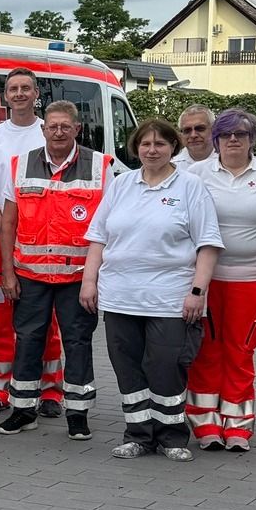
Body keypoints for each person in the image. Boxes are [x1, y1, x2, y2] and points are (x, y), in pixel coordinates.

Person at [81, 119, 222, 461]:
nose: (152, 150)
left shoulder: (190, 187)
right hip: (119, 296)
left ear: (173, 147)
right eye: (145, 144)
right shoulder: (121, 184)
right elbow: (99, 237)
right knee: (128, 368)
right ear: (136, 148)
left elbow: (208, 244)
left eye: (160, 144)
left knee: (165, 366)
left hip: (168, 298)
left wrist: (198, 291)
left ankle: (172, 437)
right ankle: (138, 436)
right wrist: (89, 281)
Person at [0, 101, 111, 440]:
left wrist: (95, 278)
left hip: (78, 278)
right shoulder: (20, 165)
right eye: (52, 126)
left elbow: (107, 228)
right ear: (43, 130)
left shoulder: (100, 166)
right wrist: (7, 273)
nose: (58, 132)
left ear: (77, 129)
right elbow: (8, 224)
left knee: (77, 342)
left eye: (65, 126)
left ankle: (77, 413)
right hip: (30, 275)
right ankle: (23, 410)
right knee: (28, 340)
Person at [182, 108, 256, 451]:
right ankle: (205, 424)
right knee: (206, 351)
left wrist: (252, 247)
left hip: (254, 278)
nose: (233, 139)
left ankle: (238, 425)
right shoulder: (196, 174)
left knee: (241, 350)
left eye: (241, 134)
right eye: (226, 134)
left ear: (252, 140)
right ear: (216, 141)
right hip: (206, 279)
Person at [0, 69, 62, 417]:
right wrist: (6, 228)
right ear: (6, 95)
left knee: (48, 321)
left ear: (36, 92)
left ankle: (50, 391)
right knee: (0, 321)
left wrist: (25, 232)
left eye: (26, 88)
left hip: (43, 242)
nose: (20, 93)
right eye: (14, 88)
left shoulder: (49, 135)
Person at [173, 105, 215, 173]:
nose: (193, 135)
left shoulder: (227, 160)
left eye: (200, 129)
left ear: (213, 130)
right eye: (187, 130)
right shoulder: (172, 166)